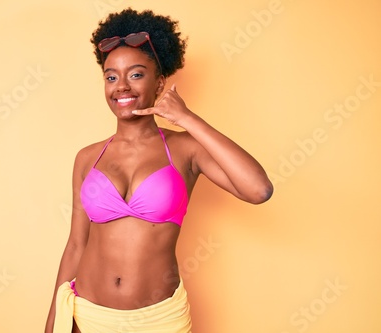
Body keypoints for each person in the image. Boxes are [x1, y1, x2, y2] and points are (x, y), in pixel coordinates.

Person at [44, 8, 273, 333]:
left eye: (135, 74)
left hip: (158, 320)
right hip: (88, 315)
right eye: (111, 77)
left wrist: (187, 119)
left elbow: (258, 189)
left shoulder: (186, 149)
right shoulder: (88, 158)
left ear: (159, 82)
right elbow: (75, 246)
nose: (121, 86)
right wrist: (53, 322)